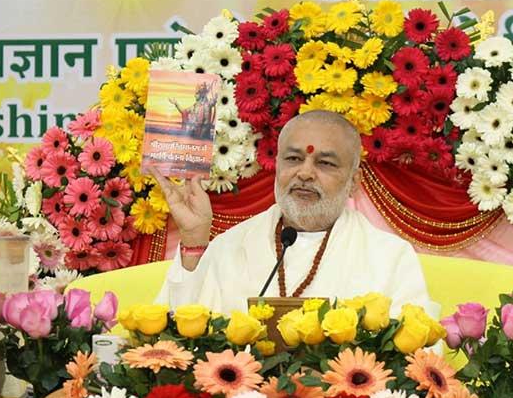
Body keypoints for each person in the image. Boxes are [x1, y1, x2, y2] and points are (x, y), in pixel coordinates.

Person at [153, 110, 438, 318]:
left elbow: (417, 359)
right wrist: (193, 239)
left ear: (354, 182)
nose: (305, 173)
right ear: (276, 166)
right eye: (293, 159)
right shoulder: (231, 245)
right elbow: (180, 340)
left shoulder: (389, 257)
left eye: (325, 163)